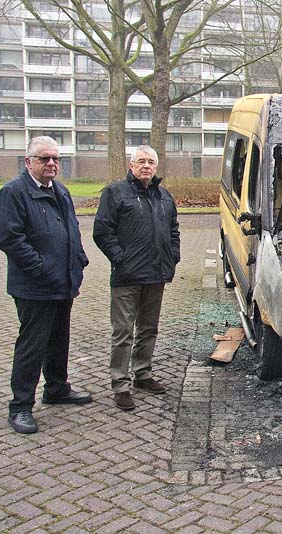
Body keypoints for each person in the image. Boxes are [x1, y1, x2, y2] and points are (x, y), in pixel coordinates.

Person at [0, 136, 91, 434]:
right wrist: (39, 267)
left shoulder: (60, 190)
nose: (51, 164)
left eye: (55, 159)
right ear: (28, 162)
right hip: (35, 286)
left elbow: (71, 228)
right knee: (32, 346)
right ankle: (20, 406)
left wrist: (79, 260)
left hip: (63, 283)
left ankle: (57, 388)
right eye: (44, 159)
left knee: (59, 339)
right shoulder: (14, 193)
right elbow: (9, 238)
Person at [93, 146, 180, 411]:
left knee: (149, 329)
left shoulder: (164, 196)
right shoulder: (116, 193)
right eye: (141, 161)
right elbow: (102, 232)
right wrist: (120, 258)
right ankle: (120, 385)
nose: (146, 166)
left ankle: (142, 374)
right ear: (131, 165)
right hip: (127, 277)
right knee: (123, 333)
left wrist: (173, 255)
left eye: (151, 162)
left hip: (156, 275)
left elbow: (174, 229)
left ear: (156, 166)